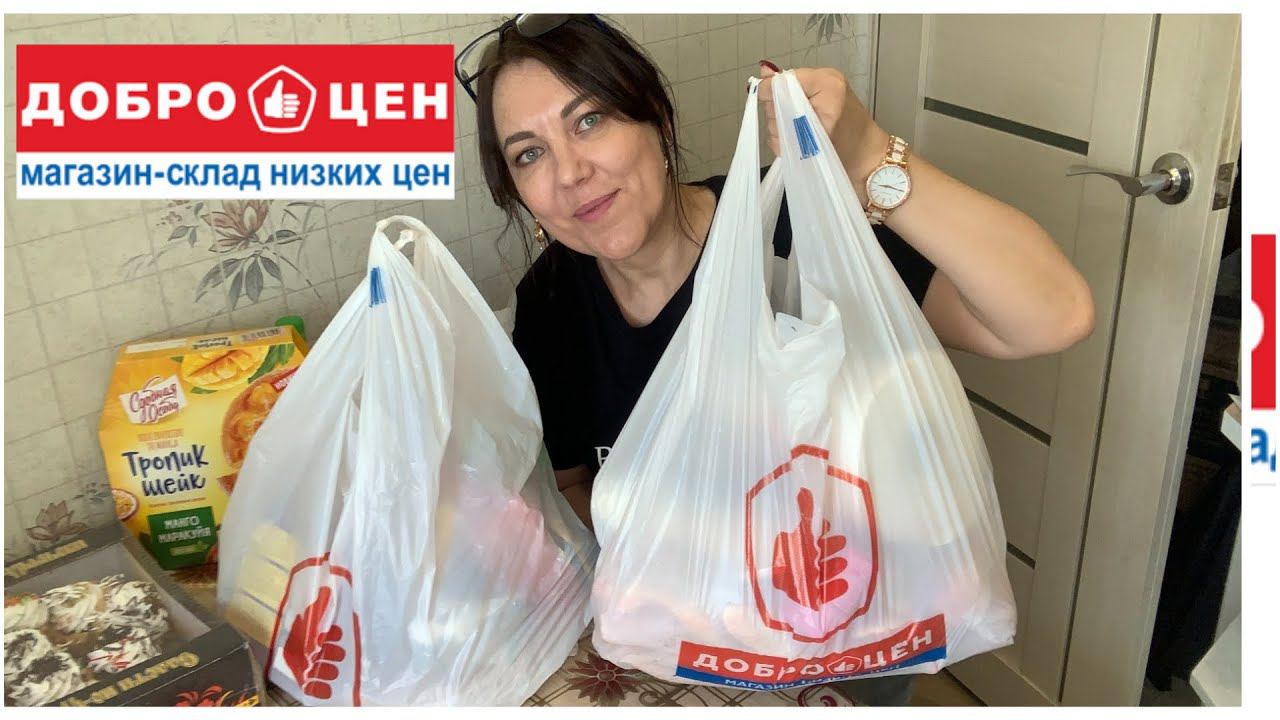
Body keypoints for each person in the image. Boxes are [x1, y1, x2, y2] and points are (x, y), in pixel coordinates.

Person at [456, 14, 1095, 706]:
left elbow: (1052, 315)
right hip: (694, 641)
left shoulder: (794, 228)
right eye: (529, 154)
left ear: (656, 120)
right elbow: (572, 482)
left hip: (859, 634)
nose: (570, 173)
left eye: (589, 121)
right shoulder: (551, 301)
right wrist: (674, 575)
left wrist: (868, 155)